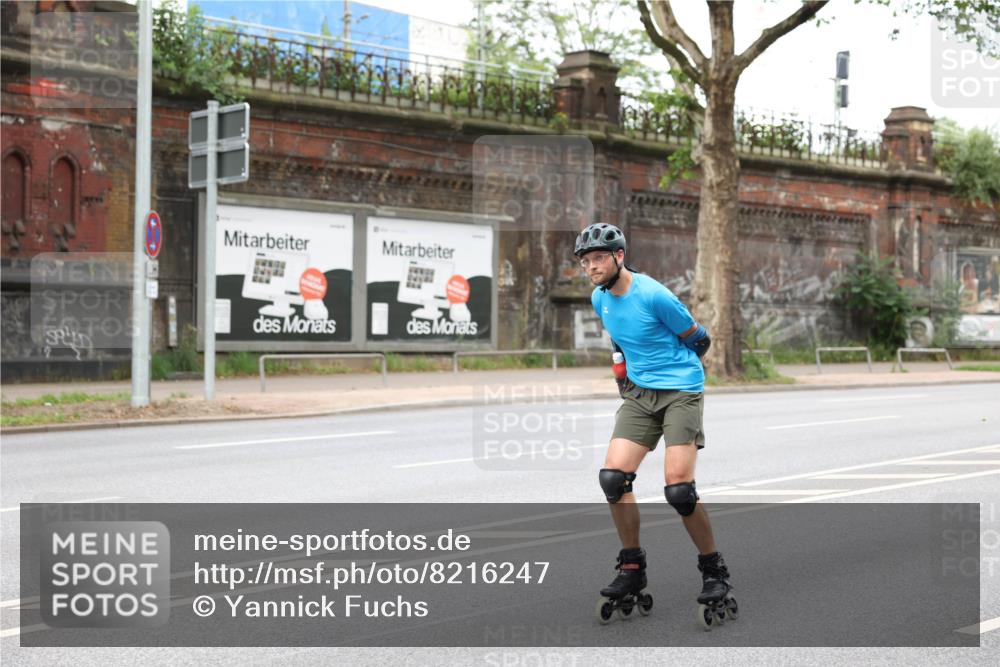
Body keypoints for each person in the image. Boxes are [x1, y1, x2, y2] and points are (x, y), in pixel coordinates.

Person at [574, 222, 734, 622]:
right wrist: (624, 378)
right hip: (639, 394)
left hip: (680, 390)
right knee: (613, 479)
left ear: (619, 257)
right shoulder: (599, 299)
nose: (591, 267)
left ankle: (713, 571)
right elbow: (618, 342)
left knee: (679, 491)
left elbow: (699, 339)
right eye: (586, 261)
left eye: (598, 259)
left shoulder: (653, 294)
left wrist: (677, 376)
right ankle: (632, 567)